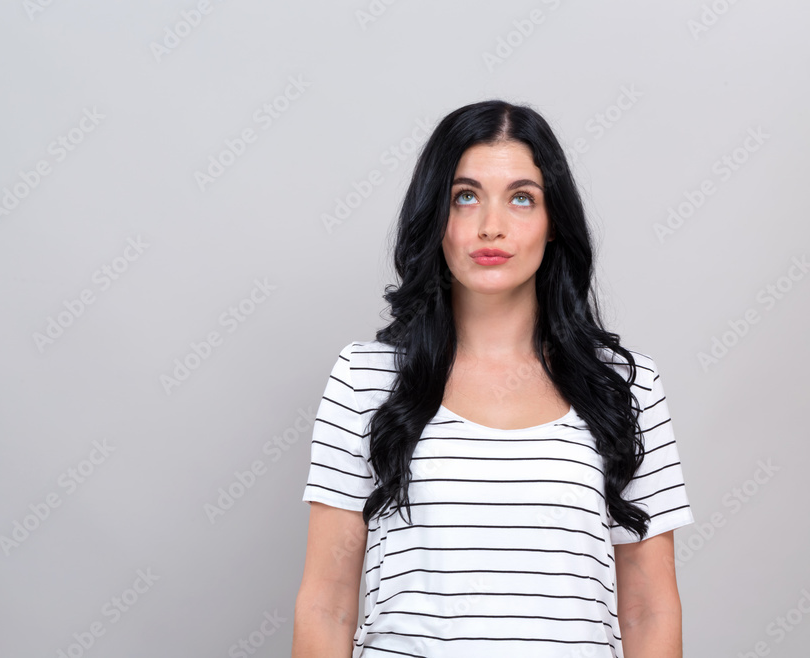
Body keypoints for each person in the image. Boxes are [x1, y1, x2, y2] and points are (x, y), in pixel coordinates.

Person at [292, 100, 695, 658]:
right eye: (465, 196)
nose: (491, 226)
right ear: (436, 216)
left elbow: (650, 606)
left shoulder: (625, 388)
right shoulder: (367, 378)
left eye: (522, 198)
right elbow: (326, 601)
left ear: (555, 224)